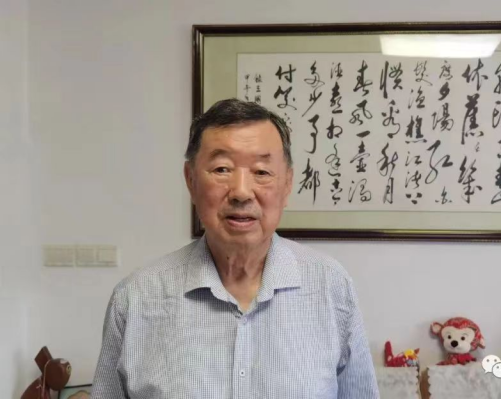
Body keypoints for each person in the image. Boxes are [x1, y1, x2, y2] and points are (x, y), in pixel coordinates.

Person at [91, 99, 379, 399]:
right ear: (191, 180)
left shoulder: (330, 287)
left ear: (287, 184)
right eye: (222, 169)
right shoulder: (136, 298)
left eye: (262, 172)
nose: (241, 192)